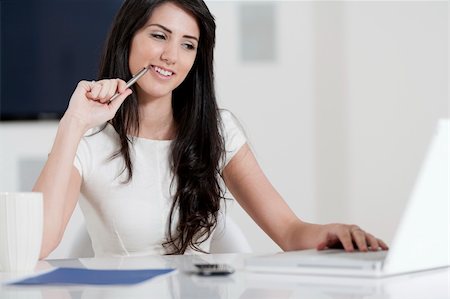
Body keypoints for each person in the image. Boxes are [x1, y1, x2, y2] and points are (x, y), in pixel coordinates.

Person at [34, 0, 388, 258]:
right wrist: (73, 122)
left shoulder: (217, 130)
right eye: (160, 36)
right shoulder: (89, 142)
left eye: (188, 44)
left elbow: (289, 231)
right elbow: (37, 244)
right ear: (128, 38)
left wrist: (334, 232)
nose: (172, 55)